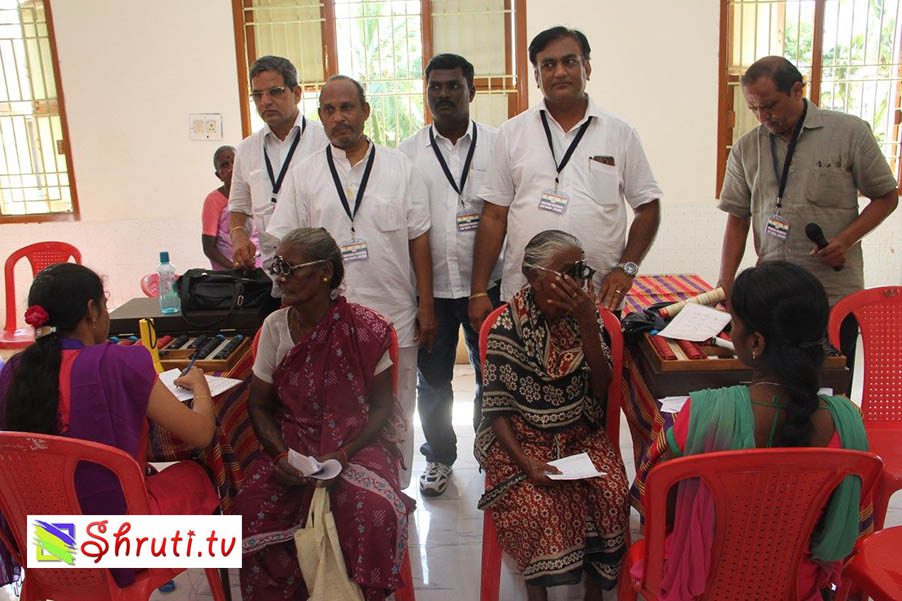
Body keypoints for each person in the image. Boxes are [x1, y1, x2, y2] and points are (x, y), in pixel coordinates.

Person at [633, 261, 869, 601]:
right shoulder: (847, 423)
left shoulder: (703, 414)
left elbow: (653, 507)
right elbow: (848, 526)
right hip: (796, 588)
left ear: (755, 341)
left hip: (702, 587)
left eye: (734, 322)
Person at [0, 263, 219, 589]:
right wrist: (200, 386)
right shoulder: (119, 362)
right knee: (198, 476)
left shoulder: (15, 370)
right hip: (113, 548)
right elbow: (201, 434)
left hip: (44, 545)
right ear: (92, 310)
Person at [268, 75, 436, 487]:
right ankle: (341, 488)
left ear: (366, 111)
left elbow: (419, 239)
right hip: (325, 321)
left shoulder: (401, 168)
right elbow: (286, 244)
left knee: (398, 408)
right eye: (329, 110)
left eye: (347, 107)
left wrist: (426, 305)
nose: (338, 117)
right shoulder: (305, 174)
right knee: (334, 409)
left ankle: (395, 491)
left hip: (394, 313)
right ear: (320, 116)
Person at [232, 228, 414, 601]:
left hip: (357, 444)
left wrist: (344, 454)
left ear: (325, 273)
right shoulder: (275, 328)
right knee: (248, 511)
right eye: (276, 267)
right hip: (292, 444)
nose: (280, 277)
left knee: (373, 510)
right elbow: (259, 405)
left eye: (289, 268)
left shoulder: (367, 329)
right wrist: (281, 456)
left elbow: (382, 407)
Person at [469, 25, 662, 336]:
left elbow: (648, 207)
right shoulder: (512, 133)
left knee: (597, 368)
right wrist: (478, 290)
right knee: (522, 369)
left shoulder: (619, 133)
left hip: (597, 295)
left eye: (569, 61)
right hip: (525, 295)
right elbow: (494, 215)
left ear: (587, 67)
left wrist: (627, 268)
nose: (559, 72)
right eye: (548, 65)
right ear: (536, 77)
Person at [475, 230, 630, 601]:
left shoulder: (585, 317)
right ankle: (537, 592)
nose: (578, 281)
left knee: (612, 493)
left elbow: (600, 388)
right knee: (540, 507)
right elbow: (496, 410)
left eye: (581, 270)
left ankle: (594, 592)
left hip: (578, 433)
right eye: (568, 272)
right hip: (522, 441)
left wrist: (589, 324)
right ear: (534, 275)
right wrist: (527, 464)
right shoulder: (507, 327)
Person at [718, 56, 898, 367]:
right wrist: (726, 282)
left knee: (830, 384)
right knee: (778, 383)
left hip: (833, 296)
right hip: (774, 298)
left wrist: (845, 240)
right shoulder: (746, 148)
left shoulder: (849, 132)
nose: (763, 116)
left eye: (769, 105)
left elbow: (886, 197)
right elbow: (737, 218)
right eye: (753, 109)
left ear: (797, 90)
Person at [398, 53, 502, 497]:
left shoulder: (498, 145)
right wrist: (421, 300)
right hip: (432, 292)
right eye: (434, 87)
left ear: (471, 90)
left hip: (488, 286)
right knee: (434, 383)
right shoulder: (406, 154)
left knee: (491, 378)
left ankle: (492, 455)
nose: (443, 94)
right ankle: (439, 457)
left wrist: (482, 289)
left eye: (453, 86)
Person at [228, 55, 328, 315]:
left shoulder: (325, 141)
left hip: (320, 275)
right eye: (257, 95)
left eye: (275, 91)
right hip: (275, 277)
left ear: (297, 93)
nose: (265, 101)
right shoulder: (247, 150)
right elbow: (238, 208)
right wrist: (239, 236)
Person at [202, 145, 261, 270]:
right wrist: (234, 268)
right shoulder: (213, 200)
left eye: (235, 162)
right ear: (218, 175)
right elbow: (209, 248)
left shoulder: (257, 193)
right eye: (225, 165)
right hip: (229, 271)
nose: (231, 168)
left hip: (260, 267)